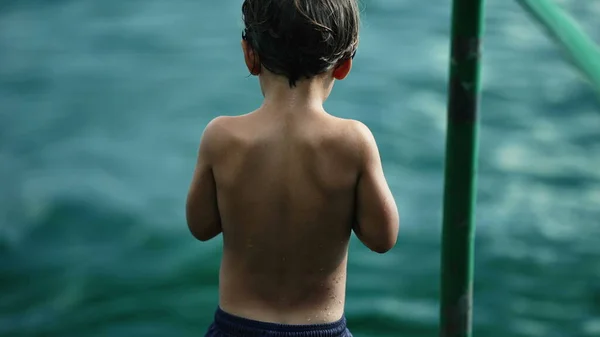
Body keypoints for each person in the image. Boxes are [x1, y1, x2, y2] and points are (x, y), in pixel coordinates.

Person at [186, 0, 399, 336]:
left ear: (249, 54)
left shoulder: (221, 137)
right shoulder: (353, 142)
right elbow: (382, 237)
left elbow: (200, 226)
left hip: (235, 328)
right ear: (344, 65)